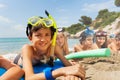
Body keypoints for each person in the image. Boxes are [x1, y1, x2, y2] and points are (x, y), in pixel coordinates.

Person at [14, 11, 85, 80]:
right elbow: (29, 78)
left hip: (40, 62)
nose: (43, 39)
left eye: (47, 35)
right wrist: (60, 71)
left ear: (51, 37)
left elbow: (67, 64)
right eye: (38, 35)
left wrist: (74, 70)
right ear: (30, 37)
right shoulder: (27, 49)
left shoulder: (52, 48)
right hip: (19, 60)